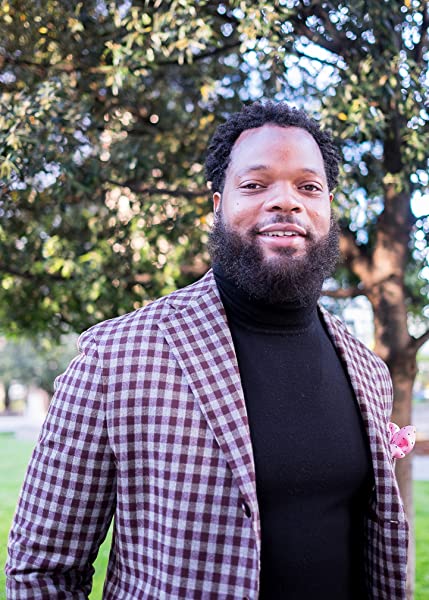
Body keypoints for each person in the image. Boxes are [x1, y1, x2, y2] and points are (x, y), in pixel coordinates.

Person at [6, 101, 413, 599]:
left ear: (329, 206)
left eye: (308, 187)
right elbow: (42, 571)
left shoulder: (368, 370)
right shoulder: (116, 358)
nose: (286, 202)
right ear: (217, 204)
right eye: (255, 184)